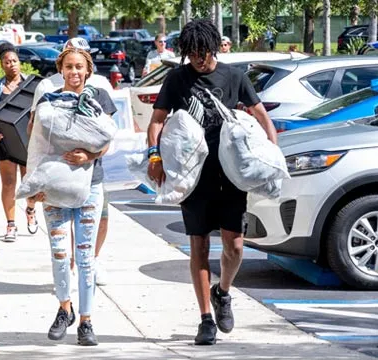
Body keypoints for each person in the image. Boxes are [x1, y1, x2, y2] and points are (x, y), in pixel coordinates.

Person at [147, 19, 277, 345]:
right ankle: (205, 319)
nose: (198, 61)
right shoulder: (178, 78)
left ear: (215, 47)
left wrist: (272, 154)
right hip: (193, 178)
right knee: (199, 246)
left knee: (234, 247)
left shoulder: (233, 76)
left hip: (231, 175)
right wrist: (154, 156)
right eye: (191, 55)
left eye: (202, 53)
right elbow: (157, 121)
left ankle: (223, 292)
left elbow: (261, 115)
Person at [31, 47, 117, 346]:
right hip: (54, 187)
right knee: (59, 254)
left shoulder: (98, 98)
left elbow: (107, 139)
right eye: (68, 67)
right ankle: (64, 308)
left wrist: (89, 155)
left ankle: (86, 321)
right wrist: (33, 188)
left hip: (90, 185)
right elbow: (36, 145)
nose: (74, 72)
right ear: (61, 70)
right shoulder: (48, 102)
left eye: (79, 66)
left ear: (88, 69)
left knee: (84, 256)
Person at [0, 42, 38, 242]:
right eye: (7, 62)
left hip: (26, 142)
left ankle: (30, 209)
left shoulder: (30, 85)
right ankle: (11, 225)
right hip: (3, 141)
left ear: (19, 62)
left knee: (29, 182)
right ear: (1, 65)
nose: (12, 64)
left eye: (14, 61)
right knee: (8, 183)